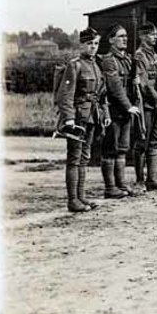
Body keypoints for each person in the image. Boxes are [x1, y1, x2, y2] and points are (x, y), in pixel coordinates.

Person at [55, 27, 110, 212]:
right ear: (82, 45)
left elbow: (101, 95)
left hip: (93, 116)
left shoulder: (96, 65)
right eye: (89, 44)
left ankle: (81, 197)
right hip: (78, 117)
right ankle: (73, 200)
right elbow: (66, 95)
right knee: (74, 158)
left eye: (96, 43)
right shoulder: (75, 65)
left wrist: (106, 114)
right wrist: (69, 118)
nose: (93, 47)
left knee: (84, 158)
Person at [99, 25, 142, 198]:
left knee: (122, 148)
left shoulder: (127, 60)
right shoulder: (109, 60)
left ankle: (121, 185)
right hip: (113, 109)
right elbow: (115, 86)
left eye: (126, 36)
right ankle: (110, 188)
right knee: (111, 148)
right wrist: (128, 105)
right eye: (120, 36)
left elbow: (130, 83)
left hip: (125, 110)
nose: (125, 39)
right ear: (111, 40)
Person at [133, 22, 157, 190]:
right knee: (143, 142)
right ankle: (140, 180)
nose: (155, 37)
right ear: (142, 37)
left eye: (156, 34)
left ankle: (152, 178)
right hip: (147, 105)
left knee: (155, 142)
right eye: (151, 34)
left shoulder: (155, 56)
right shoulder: (140, 56)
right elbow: (144, 85)